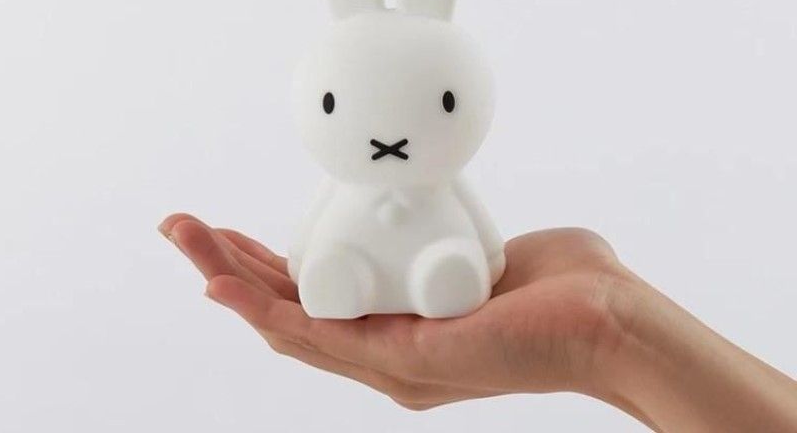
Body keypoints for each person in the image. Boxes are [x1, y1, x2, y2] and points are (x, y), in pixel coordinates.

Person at [158, 213, 797, 431]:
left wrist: (607, 329)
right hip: (358, 253)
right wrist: (611, 333)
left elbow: (481, 237)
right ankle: (342, 272)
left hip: (444, 253)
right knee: (334, 259)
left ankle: (439, 272)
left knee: (449, 262)